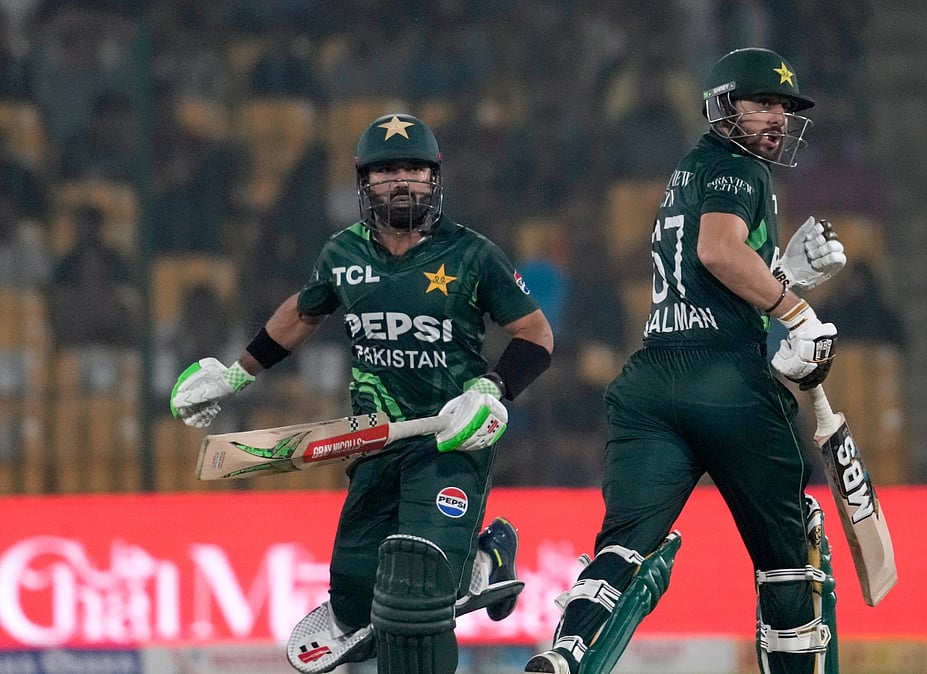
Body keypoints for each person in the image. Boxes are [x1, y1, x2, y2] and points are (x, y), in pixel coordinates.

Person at [169, 113, 554, 674]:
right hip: (373, 442)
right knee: (352, 602)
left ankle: (478, 550)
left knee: (422, 580)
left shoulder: (473, 255)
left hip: (451, 439)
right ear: (363, 182)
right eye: (387, 171)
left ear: (435, 178)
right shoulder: (342, 254)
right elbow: (303, 315)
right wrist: (236, 374)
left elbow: (536, 334)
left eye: (415, 170)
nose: (402, 182)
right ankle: (482, 550)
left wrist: (491, 390)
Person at [524, 47, 846, 674]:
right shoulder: (739, 169)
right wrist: (796, 311)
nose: (777, 118)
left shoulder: (689, 170)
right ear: (724, 107)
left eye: (783, 106)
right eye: (762, 104)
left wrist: (783, 275)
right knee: (790, 557)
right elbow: (720, 252)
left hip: (651, 381)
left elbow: (706, 282)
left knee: (622, 551)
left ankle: (565, 654)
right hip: (726, 379)